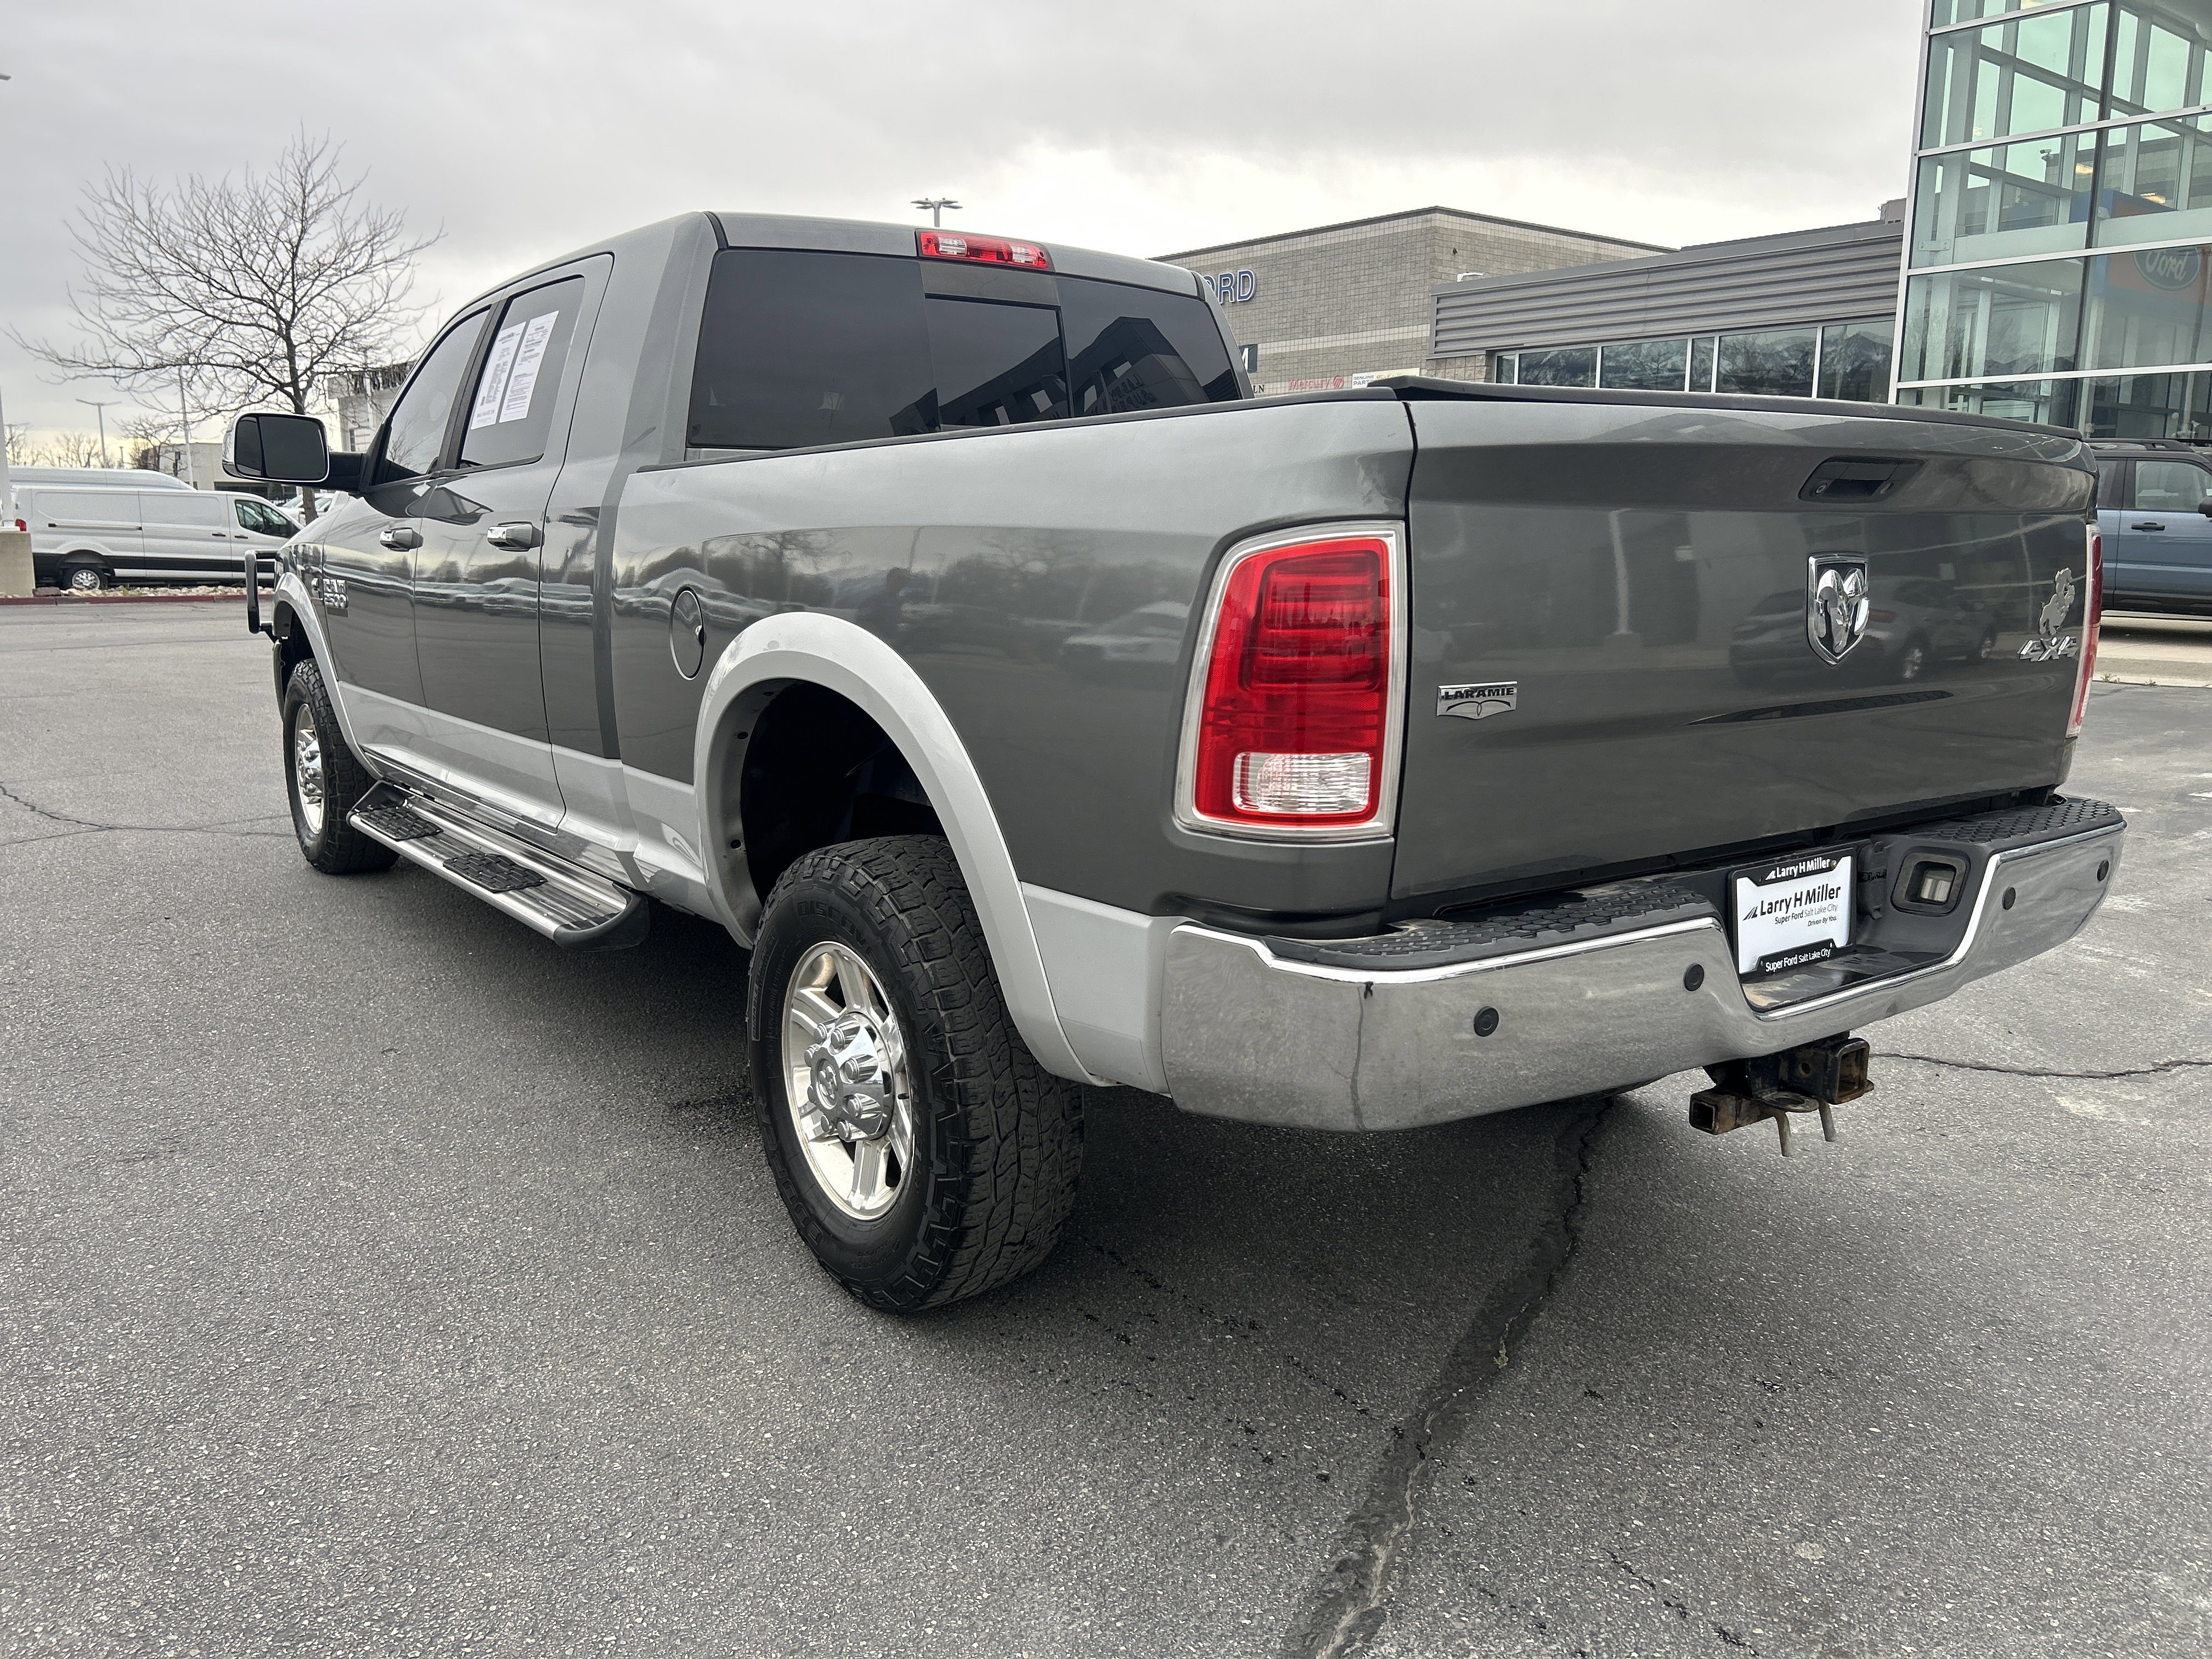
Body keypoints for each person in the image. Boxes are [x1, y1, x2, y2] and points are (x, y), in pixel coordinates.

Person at [855, 567, 910, 642]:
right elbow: (864, 622)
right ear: (889, 579)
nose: (902, 582)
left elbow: (893, 617)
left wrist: (918, 621)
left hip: (893, 641)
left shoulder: (895, 599)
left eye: (905, 579)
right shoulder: (877, 598)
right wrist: (882, 640)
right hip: (878, 643)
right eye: (900, 578)